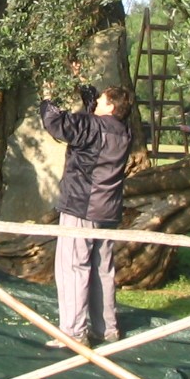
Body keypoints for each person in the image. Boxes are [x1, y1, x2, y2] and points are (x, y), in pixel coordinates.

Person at [40, 83, 135, 348]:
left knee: (73, 268)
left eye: (102, 100)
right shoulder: (124, 131)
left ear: (111, 106)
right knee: (103, 269)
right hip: (108, 209)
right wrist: (81, 83)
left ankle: (73, 332)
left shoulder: (93, 127)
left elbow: (57, 124)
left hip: (82, 207)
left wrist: (47, 98)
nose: (97, 103)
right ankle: (107, 329)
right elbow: (91, 117)